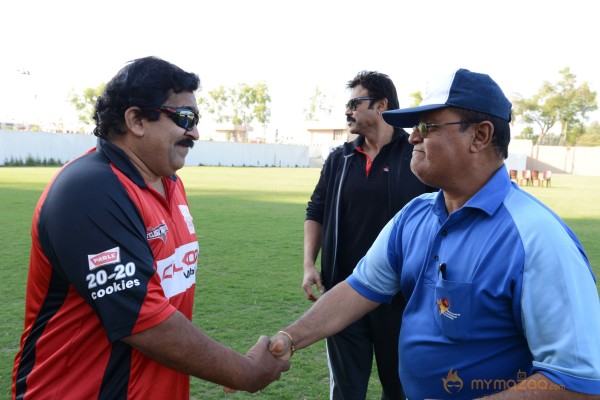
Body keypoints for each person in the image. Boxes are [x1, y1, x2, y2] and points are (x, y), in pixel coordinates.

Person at [271, 68, 600, 399]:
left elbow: (579, 381)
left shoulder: (537, 238)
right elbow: (359, 289)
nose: (413, 137)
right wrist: (290, 338)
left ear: (481, 136)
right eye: (415, 127)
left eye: (427, 126)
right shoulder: (414, 216)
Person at [11, 56, 289, 399]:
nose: (195, 132)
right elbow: (147, 324)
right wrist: (244, 371)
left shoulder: (169, 183)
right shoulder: (90, 190)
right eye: (185, 118)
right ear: (137, 120)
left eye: (196, 119)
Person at [303, 70, 435, 399]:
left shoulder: (416, 153)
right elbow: (315, 210)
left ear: (380, 105)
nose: (347, 111)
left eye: (353, 103)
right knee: (346, 391)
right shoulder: (339, 159)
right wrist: (309, 264)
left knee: (401, 389)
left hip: (402, 300)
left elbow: (443, 213)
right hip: (344, 295)